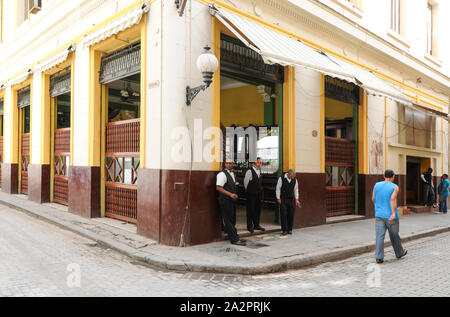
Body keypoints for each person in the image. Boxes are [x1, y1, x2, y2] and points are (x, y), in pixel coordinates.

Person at [372, 169, 407, 264]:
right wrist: (393, 213)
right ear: (393, 176)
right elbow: (392, 199)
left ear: (384, 176)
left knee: (379, 236)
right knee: (394, 235)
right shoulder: (395, 187)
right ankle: (399, 252)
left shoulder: (376, 185)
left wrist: (378, 208)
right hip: (390, 216)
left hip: (379, 215)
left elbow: (373, 198)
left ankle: (379, 257)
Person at [216, 158, 246, 246]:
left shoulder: (232, 174)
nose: (229, 165)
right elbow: (218, 187)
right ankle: (235, 239)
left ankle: (233, 236)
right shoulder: (222, 174)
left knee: (232, 220)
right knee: (228, 220)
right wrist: (230, 194)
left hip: (231, 200)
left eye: (231, 163)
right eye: (227, 163)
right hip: (225, 200)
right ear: (225, 164)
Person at [276, 169, 301, 236]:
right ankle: (284, 230)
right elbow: (278, 188)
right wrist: (278, 198)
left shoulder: (295, 180)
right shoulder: (281, 179)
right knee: (283, 214)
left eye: (294, 176)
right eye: (292, 176)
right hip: (283, 199)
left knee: (291, 214)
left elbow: (296, 190)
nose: (293, 177)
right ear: (288, 174)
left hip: (291, 199)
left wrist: (297, 199)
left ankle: (290, 229)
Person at [244, 157, 265, 233]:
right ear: (254, 163)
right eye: (258, 162)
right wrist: (249, 191)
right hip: (251, 194)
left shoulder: (260, 171)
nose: (260, 164)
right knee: (250, 210)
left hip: (258, 194)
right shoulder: (249, 171)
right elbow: (245, 183)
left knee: (257, 209)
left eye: (261, 163)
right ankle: (249, 226)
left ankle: (256, 225)